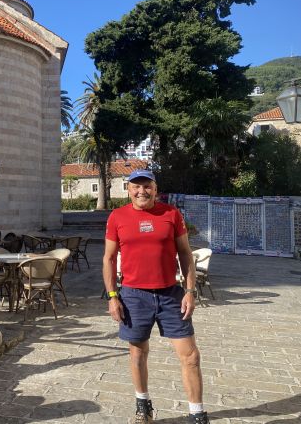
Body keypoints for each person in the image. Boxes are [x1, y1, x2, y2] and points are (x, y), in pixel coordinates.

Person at [103, 169, 208, 424]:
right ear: (128, 190)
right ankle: (143, 406)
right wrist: (112, 296)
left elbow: (185, 253)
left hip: (171, 294)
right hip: (133, 296)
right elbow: (108, 258)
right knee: (138, 353)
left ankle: (197, 414)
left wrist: (190, 291)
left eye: (147, 186)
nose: (142, 191)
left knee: (191, 356)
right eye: (136, 187)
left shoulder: (171, 214)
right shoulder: (117, 217)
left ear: (155, 188)